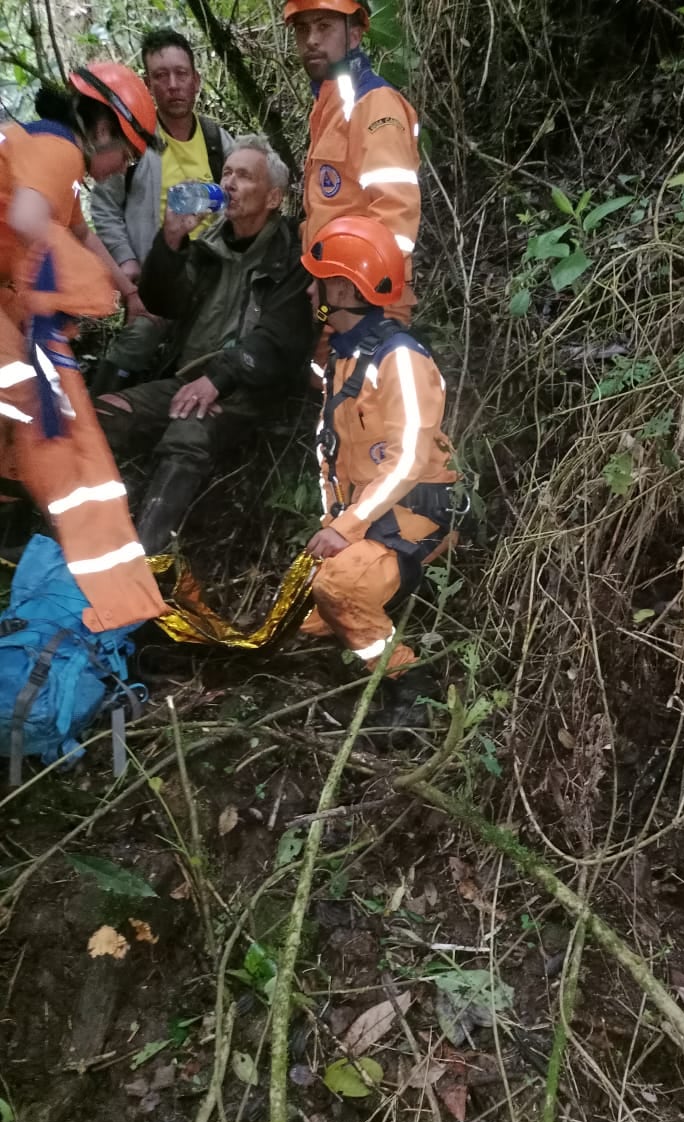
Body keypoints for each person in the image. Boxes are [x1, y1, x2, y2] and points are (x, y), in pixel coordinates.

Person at [0, 62, 167, 630]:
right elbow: (28, 218)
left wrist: (129, 295)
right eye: (126, 153)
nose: (122, 167)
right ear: (102, 129)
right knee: (30, 404)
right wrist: (73, 293)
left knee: (27, 421)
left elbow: (78, 232)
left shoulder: (54, 158)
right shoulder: (58, 150)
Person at [94, 135, 314, 556]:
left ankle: (144, 560)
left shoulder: (292, 255)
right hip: (186, 378)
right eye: (226, 172)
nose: (229, 183)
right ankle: (72, 537)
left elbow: (279, 338)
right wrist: (172, 241)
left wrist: (220, 377)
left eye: (244, 176)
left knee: (188, 429)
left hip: (246, 387)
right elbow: (163, 301)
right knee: (100, 416)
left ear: (273, 197)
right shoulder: (210, 244)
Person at [299, 215, 464, 728]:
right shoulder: (343, 360)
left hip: (418, 515)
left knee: (339, 588)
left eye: (318, 278)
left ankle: (408, 679)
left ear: (343, 289)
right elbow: (332, 455)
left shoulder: (400, 360)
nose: (310, 289)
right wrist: (335, 525)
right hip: (373, 512)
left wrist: (345, 530)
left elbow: (410, 461)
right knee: (314, 589)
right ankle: (352, 620)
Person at [90, 29, 233, 393]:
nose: (173, 85)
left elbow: (245, 198)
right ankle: (100, 412)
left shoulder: (218, 141)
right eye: (160, 76)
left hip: (215, 275)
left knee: (215, 354)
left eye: (181, 74)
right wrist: (127, 268)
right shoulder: (135, 142)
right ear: (147, 85)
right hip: (157, 274)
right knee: (137, 342)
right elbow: (104, 208)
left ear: (196, 80)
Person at [283, 0, 421, 330]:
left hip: (366, 305)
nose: (311, 39)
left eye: (324, 26)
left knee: (364, 382)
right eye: (303, 29)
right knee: (328, 381)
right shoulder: (329, 106)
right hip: (332, 297)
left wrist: (352, 293)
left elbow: (396, 217)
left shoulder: (374, 104)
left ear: (355, 36)